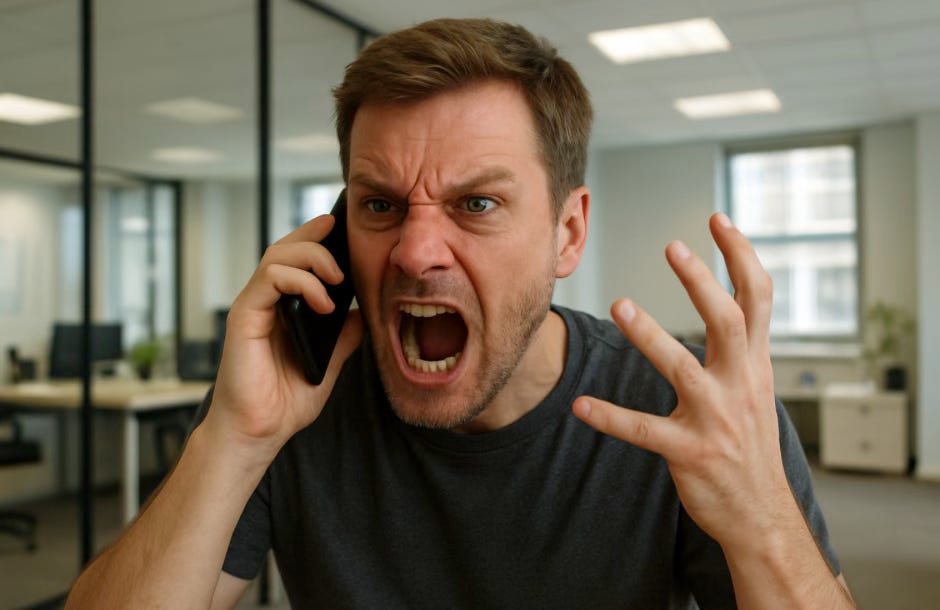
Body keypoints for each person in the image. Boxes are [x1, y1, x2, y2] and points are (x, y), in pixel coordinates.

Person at [66, 18, 854, 609]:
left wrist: (762, 520)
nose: (415, 253)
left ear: (567, 232)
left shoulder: (684, 410)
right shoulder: (295, 394)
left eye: (476, 203)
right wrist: (233, 442)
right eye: (380, 205)